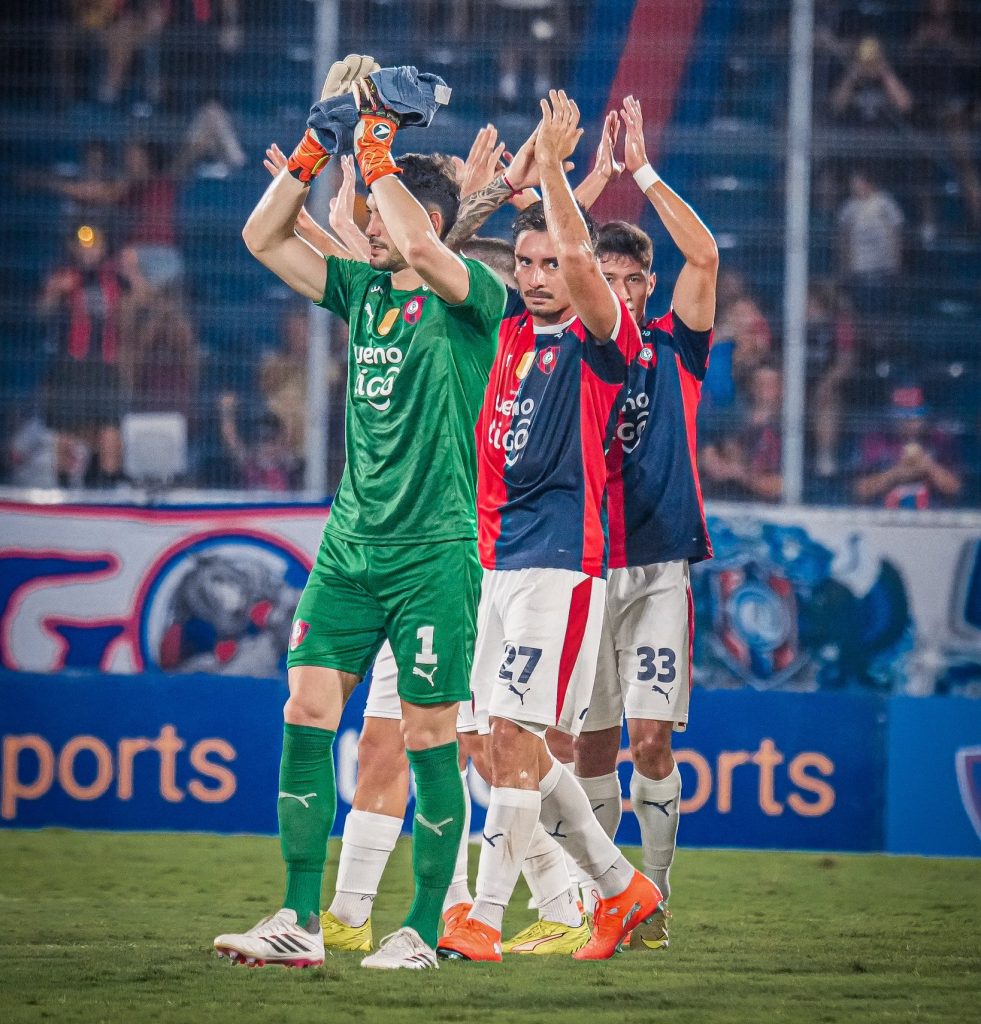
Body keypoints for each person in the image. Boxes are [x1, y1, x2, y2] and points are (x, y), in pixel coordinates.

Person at [212, 54, 507, 971]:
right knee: (306, 709)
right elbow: (264, 239)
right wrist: (321, 141)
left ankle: (419, 927)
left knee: (428, 738)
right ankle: (299, 919)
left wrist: (377, 146)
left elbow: (422, 246)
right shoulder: (362, 290)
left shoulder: (474, 300)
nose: (362, 227)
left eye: (375, 215)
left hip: (434, 554)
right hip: (351, 547)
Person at [437, 90, 661, 965]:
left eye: (547, 266)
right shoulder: (504, 334)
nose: (534, 276)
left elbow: (575, 247)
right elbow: (432, 253)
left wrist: (561, 180)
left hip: (562, 564)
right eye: (522, 264)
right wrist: (500, 194)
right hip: (496, 563)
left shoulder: (603, 340)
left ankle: (482, 919)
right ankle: (618, 887)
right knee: (499, 747)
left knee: (521, 740)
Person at [509, 94, 718, 955]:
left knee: (650, 740)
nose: (623, 291)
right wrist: (572, 179)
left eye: (636, 280)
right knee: (585, 749)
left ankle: (655, 898)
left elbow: (704, 252)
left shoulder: (677, 346)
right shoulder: (575, 342)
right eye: (611, 278)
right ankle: (609, 901)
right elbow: (539, 239)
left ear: (650, 288)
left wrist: (638, 173)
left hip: (660, 563)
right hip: (588, 563)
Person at [853, 383, 962, 508]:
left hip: (932, 516)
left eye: (915, 416)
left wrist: (927, 465)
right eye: (903, 416)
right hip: (884, 515)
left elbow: (955, 488)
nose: (909, 422)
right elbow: (860, 491)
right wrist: (895, 473)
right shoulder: (875, 439)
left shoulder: (939, 438)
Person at [701, 362, 783, 503]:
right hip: (720, 500)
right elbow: (707, 459)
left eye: (770, 384)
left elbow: (781, 485)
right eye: (759, 383)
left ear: (782, 388)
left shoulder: (790, 430)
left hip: (768, 507)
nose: (763, 390)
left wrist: (741, 474)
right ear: (751, 387)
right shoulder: (730, 419)